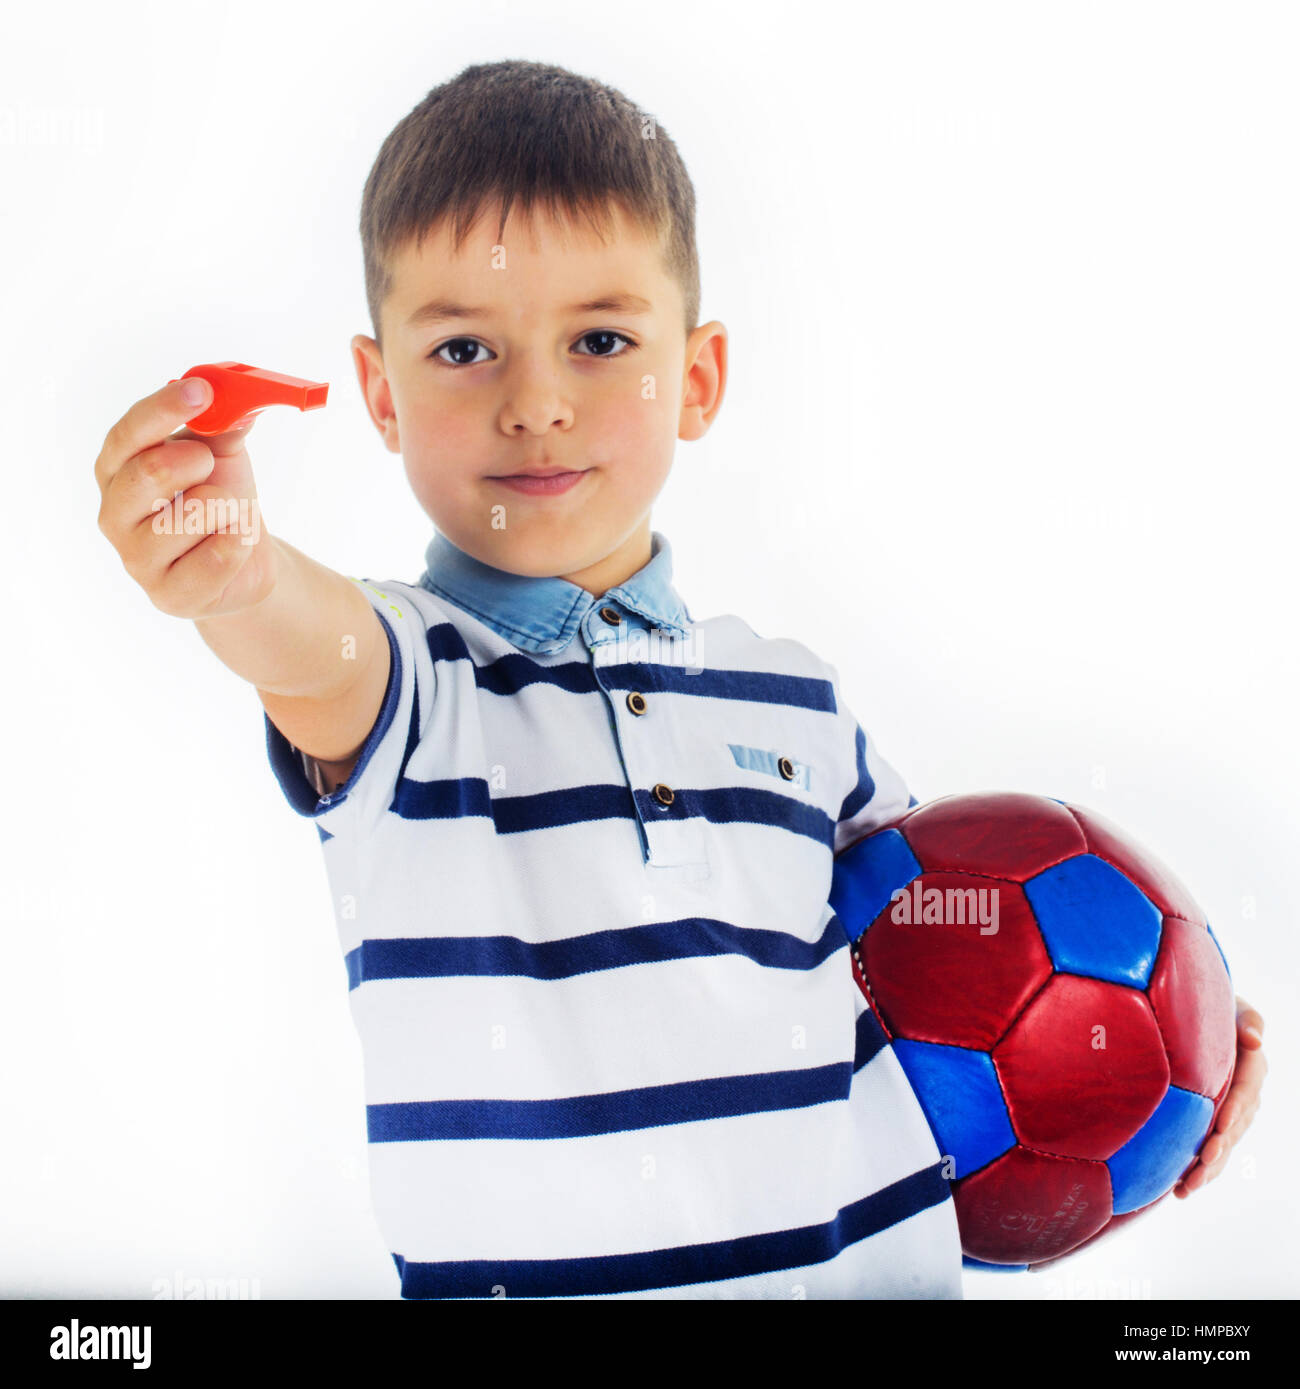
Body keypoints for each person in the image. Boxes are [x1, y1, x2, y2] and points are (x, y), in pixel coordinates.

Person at [94, 59, 1265, 1299]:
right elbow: (306, 641)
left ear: (696, 378)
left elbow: (956, 949)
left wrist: (1157, 1044)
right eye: (463, 349)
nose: (536, 402)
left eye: (600, 340)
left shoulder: (799, 707)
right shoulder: (413, 688)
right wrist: (237, 574)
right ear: (381, 393)